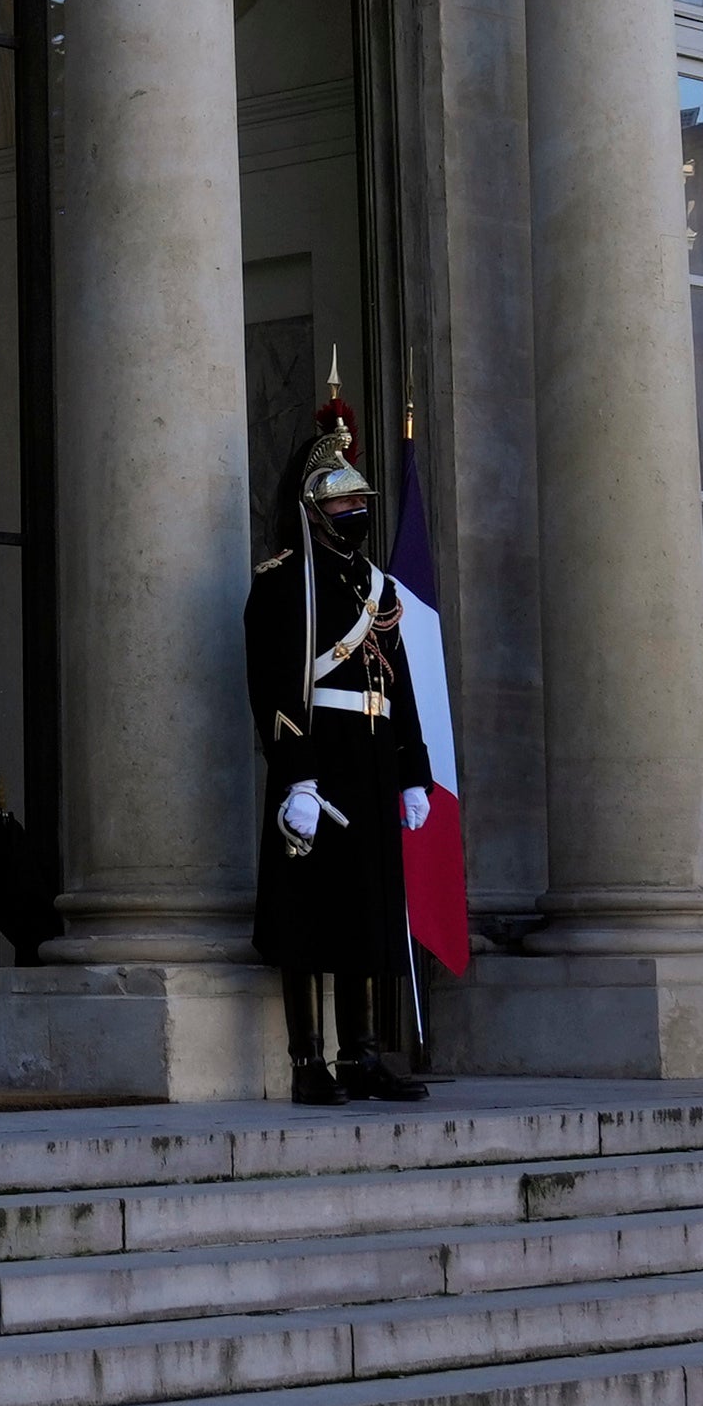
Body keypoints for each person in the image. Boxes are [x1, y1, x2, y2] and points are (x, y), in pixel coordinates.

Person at [240, 395, 433, 1105]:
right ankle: (306, 1061)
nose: (356, 511)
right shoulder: (283, 583)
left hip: (373, 755)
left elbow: (400, 683)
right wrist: (295, 776)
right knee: (308, 915)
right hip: (319, 758)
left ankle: (362, 1054)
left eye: (360, 500)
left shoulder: (374, 583)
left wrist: (413, 770)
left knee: (368, 911)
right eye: (343, 501)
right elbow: (274, 685)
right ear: (314, 508)